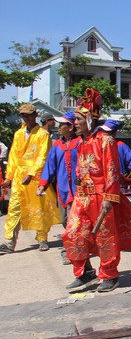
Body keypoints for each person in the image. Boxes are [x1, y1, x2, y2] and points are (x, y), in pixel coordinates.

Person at [62, 89, 131, 292]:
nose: (75, 123)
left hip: (102, 197)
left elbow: (113, 172)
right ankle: (84, 271)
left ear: (89, 119)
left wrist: (109, 197)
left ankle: (109, 274)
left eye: (78, 119)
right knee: (73, 233)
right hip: (83, 197)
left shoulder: (105, 141)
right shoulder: (80, 143)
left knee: (105, 236)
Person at [0, 103, 62, 254]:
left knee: (39, 207)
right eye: (23, 115)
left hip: (36, 177)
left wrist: (32, 173)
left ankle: (42, 238)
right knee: (14, 208)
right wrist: (9, 177)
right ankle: (9, 242)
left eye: (28, 115)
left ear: (35, 115)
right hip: (20, 176)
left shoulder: (43, 134)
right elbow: (14, 156)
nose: (25, 118)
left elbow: (43, 157)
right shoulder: (18, 134)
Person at [38, 111, 81, 263]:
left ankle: (70, 250)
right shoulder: (56, 146)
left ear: (70, 127)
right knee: (64, 220)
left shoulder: (81, 143)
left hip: (79, 192)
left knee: (72, 220)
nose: (58, 127)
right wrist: (43, 185)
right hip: (62, 190)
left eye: (62, 124)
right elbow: (50, 167)